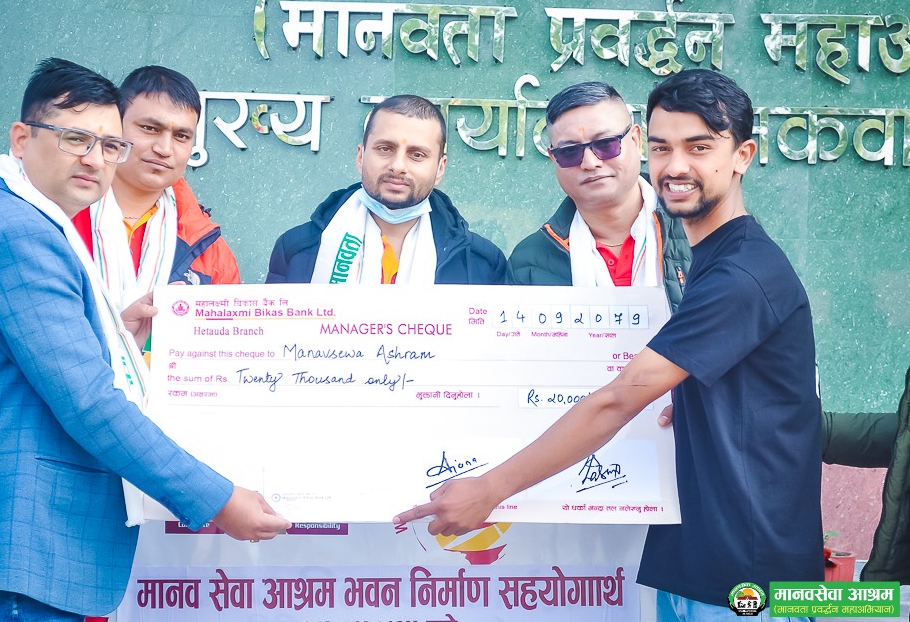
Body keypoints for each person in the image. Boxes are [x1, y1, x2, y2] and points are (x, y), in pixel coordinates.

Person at [395, 69, 822, 618]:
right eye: (664, 148)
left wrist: (490, 489)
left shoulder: (740, 273)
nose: (675, 166)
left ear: (742, 155)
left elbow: (620, 397)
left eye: (699, 148)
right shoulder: (715, 258)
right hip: (693, 561)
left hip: (749, 581)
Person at [0, 58, 288, 621]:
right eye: (75, 139)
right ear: (21, 139)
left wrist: (110, 336)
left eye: (108, 146)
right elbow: (88, 400)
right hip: (20, 544)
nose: (94, 157)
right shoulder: (22, 232)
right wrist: (219, 499)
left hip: (59, 537)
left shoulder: (185, 238)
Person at [0, 64, 238, 331]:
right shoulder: (33, 199)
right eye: (149, 128)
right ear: (115, 127)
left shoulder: (206, 245)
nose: (165, 148)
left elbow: (233, 343)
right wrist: (34, 329)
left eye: (181, 136)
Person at [266, 94, 506, 284]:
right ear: (361, 156)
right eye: (385, 149)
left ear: (440, 168)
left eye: (417, 154)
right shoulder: (297, 249)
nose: (398, 166)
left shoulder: (481, 263)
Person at [507, 81, 690, 312]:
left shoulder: (702, 229)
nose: (590, 162)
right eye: (569, 151)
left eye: (606, 144)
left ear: (636, 141)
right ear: (554, 159)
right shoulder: (529, 263)